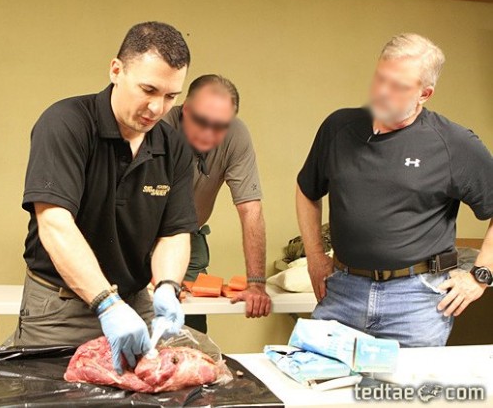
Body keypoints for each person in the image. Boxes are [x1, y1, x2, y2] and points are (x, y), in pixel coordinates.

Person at [14, 21, 198, 374]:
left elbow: (174, 232)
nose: (158, 108)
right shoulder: (66, 124)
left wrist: (168, 287)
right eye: (148, 89)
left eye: (171, 96)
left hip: (136, 305)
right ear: (116, 70)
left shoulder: (172, 147)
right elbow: (55, 223)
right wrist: (106, 304)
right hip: (61, 309)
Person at [296, 33, 492, 347]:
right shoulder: (338, 127)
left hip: (416, 300)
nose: (382, 92)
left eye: (398, 86)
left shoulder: (454, 144)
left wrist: (481, 275)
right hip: (344, 289)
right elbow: (307, 190)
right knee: (316, 386)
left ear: (425, 94)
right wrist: (315, 257)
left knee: (405, 395)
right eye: (380, 78)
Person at [163, 75, 271, 334]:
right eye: (201, 122)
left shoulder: (236, 135)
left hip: (189, 237)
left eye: (220, 125)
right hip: (138, 239)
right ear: (186, 109)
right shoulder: (158, 128)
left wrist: (256, 283)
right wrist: (161, 281)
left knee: (190, 332)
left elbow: (250, 209)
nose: (209, 133)